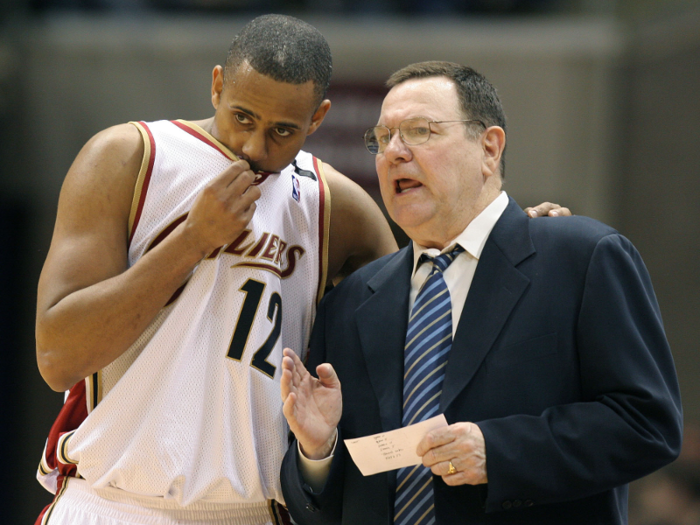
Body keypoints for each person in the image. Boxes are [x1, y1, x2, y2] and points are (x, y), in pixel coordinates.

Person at [34, 14, 567, 525]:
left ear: (317, 119)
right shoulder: (131, 158)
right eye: (242, 117)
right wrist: (193, 241)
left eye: (283, 131)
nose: (253, 147)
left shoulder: (334, 204)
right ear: (217, 86)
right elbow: (58, 358)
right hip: (111, 501)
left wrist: (509, 234)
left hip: (258, 510)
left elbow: (429, 314)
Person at [279, 61, 683, 525]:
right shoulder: (348, 305)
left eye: (420, 131)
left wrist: (499, 453)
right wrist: (317, 450)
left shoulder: (582, 258)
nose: (394, 152)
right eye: (382, 138)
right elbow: (323, 506)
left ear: (489, 148)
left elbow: (648, 425)